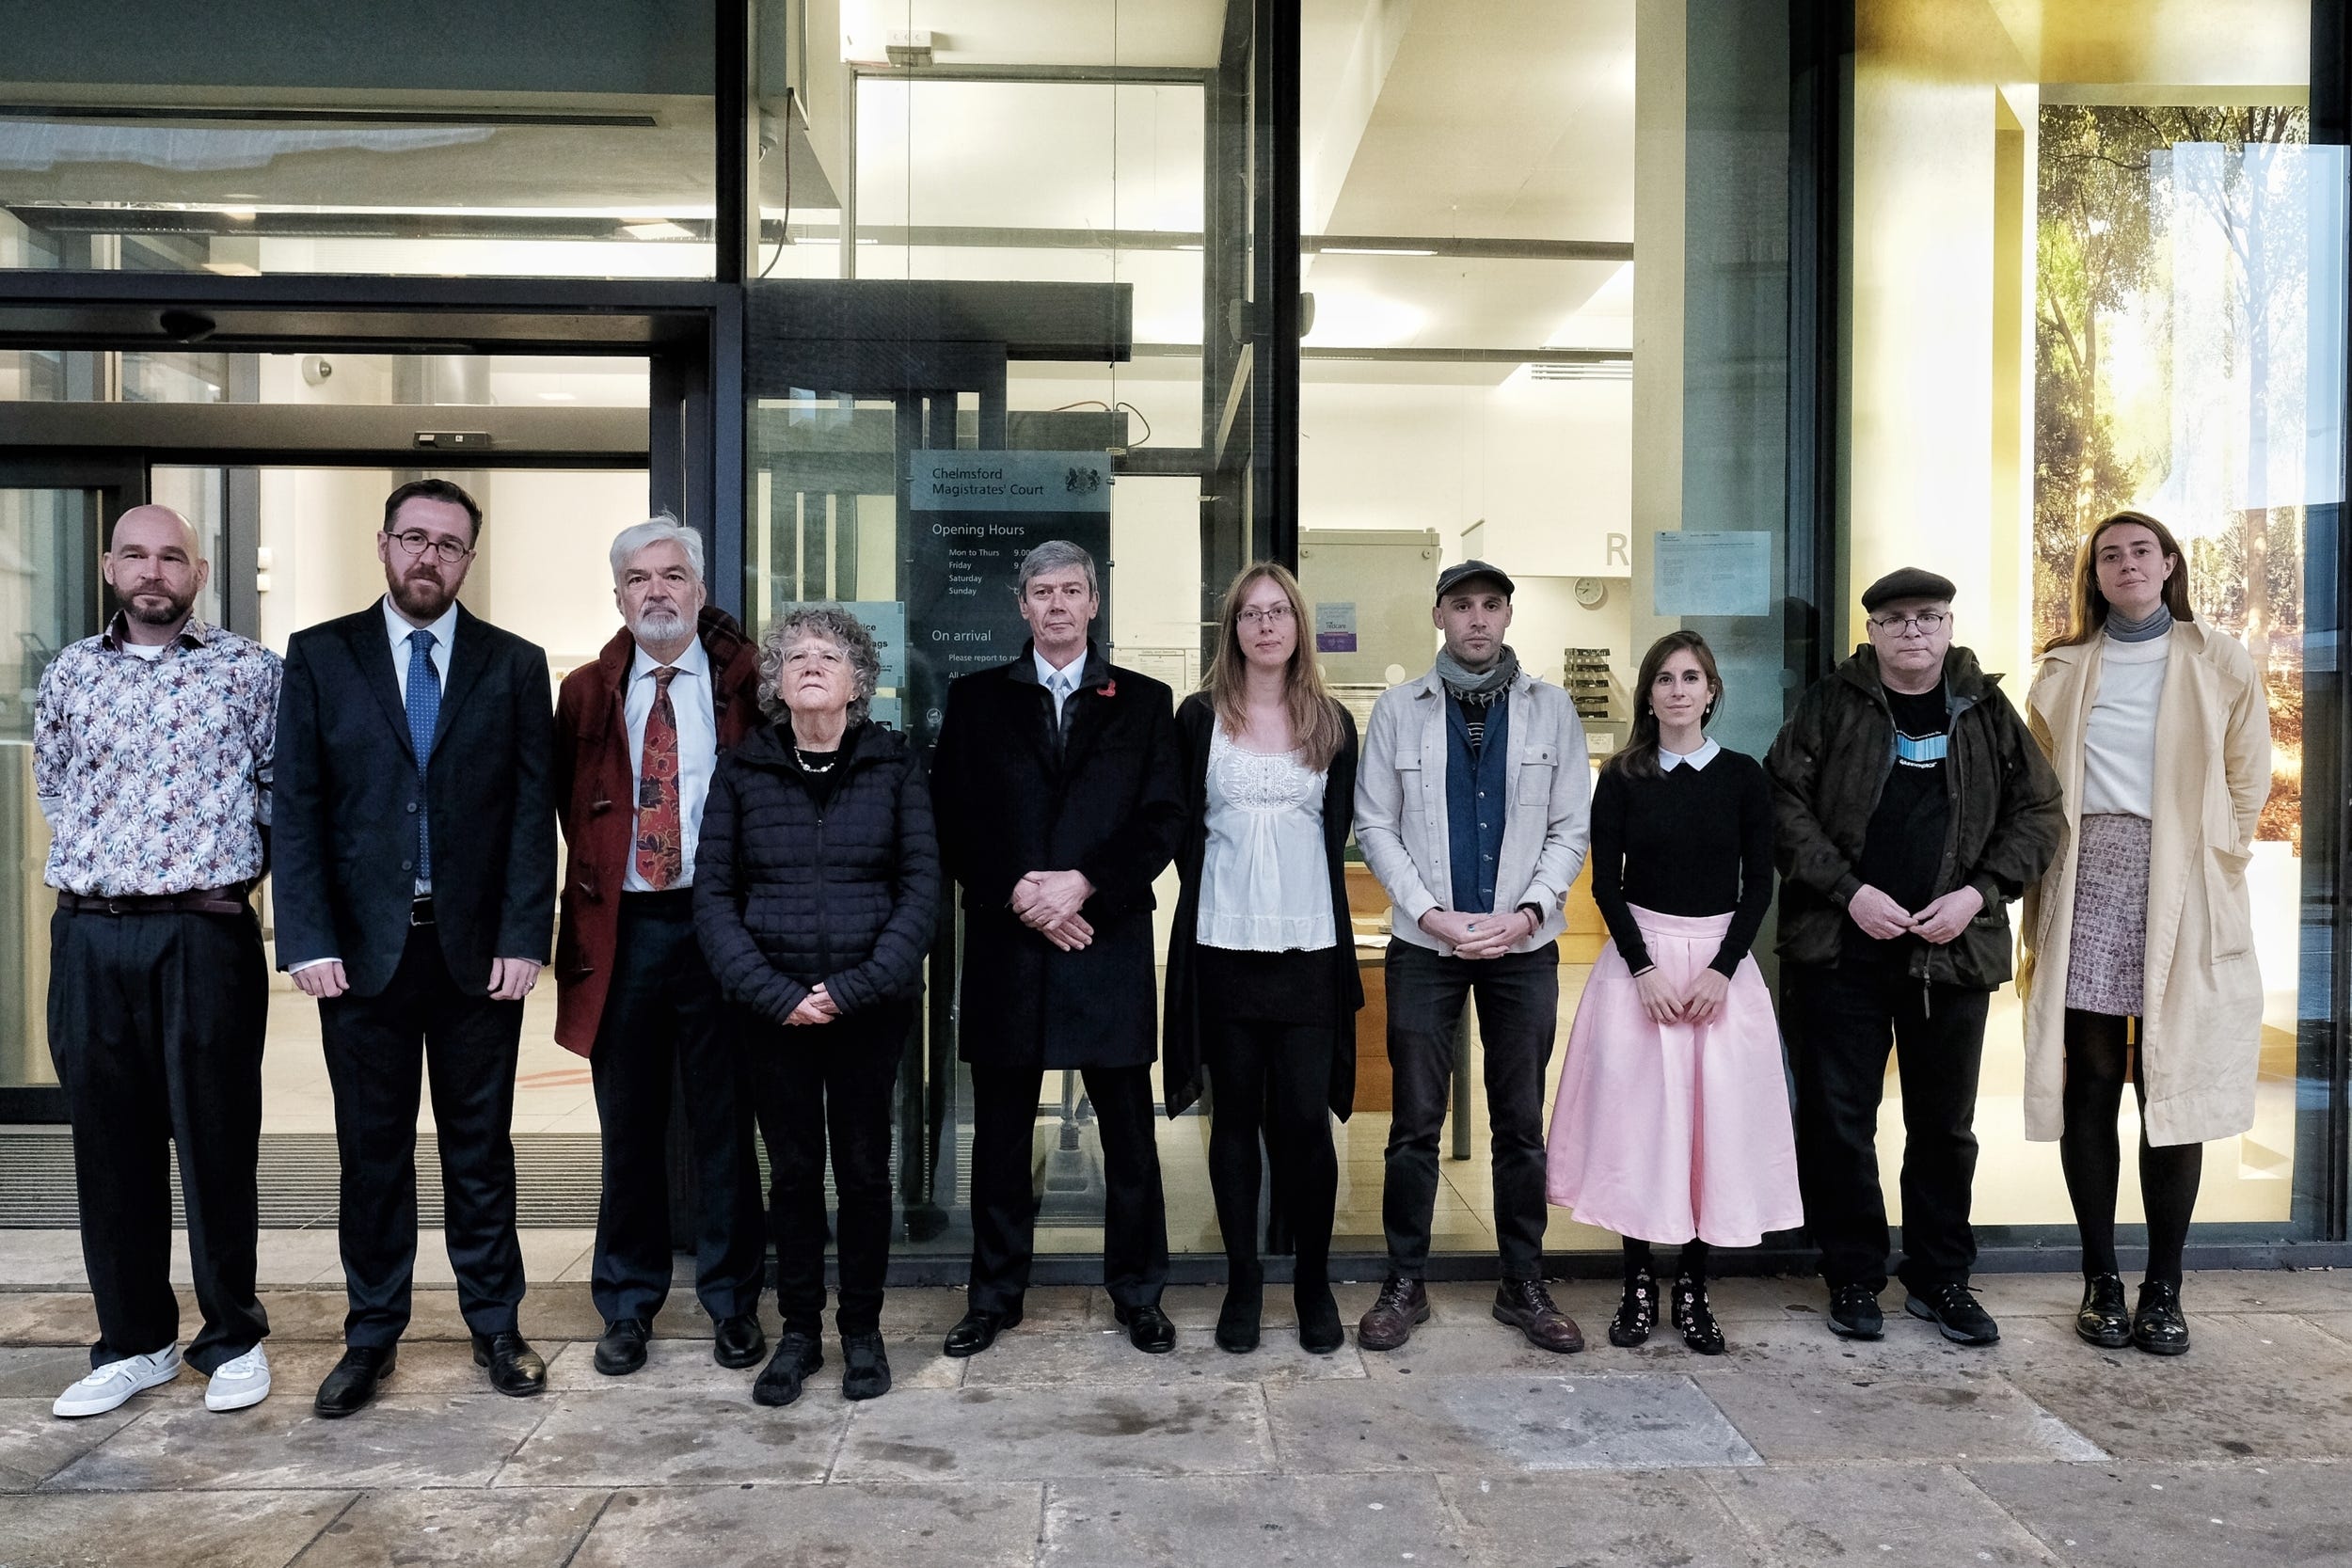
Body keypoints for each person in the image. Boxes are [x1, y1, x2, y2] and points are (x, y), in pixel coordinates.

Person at [275, 478, 558, 1417]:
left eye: (448, 544)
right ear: (384, 544)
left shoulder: (514, 665)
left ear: (467, 559)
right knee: (372, 1152)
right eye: (414, 538)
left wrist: (526, 933)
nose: (428, 556)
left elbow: (530, 813)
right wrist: (305, 933)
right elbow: (300, 806)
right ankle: (370, 1336)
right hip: (361, 958)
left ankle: (495, 1325)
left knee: (481, 1152)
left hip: (475, 955)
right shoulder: (319, 656)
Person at [1767, 567, 2062, 1346]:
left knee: (1945, 1127)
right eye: (1895, 619)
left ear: (1949, 626)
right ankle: (1854, 1275)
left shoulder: (1987, 708)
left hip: (1951, 953)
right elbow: (1782, 807)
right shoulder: (1830, 706)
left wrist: (1981, 893)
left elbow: (2041, 812)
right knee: (1838, 1121)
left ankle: (1940, 1278)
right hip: (1842, 949)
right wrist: (1847, 891)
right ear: (1872, 632)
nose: (1912, 632)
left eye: (1928, 617)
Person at [35, 506, 278, 1418]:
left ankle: (233, 1335)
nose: (153, 570)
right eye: (136, 554)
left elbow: (273, 791)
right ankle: (133, 1339)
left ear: (199, 571)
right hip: (91, 934)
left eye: (170, 556)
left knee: (217, 1141)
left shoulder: (251, 672)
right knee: (109, 1148)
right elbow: (56, 783)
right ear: (108, 565)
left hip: (203, 932)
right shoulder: (71, 671)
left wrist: (199, 875)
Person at [2021, 510, 2272, 1356]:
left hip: (2183, 881)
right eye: (2108, 556)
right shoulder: (2062, 667)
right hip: (2089, 873)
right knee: (2090, 1081)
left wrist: (2215, 856)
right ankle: (2100, 1277)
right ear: (2093, 577)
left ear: (2169, 564)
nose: (2125, 564)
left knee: (2174, 1089)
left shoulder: (2218, 658)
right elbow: (2038, 784)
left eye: (2140, 551)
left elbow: (2248, 779)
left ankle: (2164, 1286)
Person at [930, 539, 1185, 1359]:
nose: (1058, 605)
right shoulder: (974, 699)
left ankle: (1139, 1294)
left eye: (1073, 590)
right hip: (1010, 945)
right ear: (1022, 605)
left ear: (1095, 602)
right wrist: (1020, 893)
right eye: (1042, 592)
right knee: (1001, 1137)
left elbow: (1163, 818)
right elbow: (951, 818)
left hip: (1105, 943)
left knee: (1130, 1136)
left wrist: (1083, 887)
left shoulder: (1145, 701)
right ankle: (995, 1295)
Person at [695, 606, 940, 1405]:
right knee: (795, 1176)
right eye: (794, 654)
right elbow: (715, 899)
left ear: (857, 680)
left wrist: (853, 988)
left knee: (866, 1174)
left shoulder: (895, 764)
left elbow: (921, 890)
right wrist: (778, 995)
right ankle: (800, 1332)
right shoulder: (743, 770)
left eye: (828, 655)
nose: (809, 664)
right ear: (774, 680)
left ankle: (862, 1332)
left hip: (870, 1010)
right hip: (774, 1014)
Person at [1354, 559, 1592, 1354]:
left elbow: (1570, 828)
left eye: (1492, 605)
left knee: (1521, 1121)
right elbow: (1375, 824)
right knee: (1415, 1121)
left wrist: (1527, 913)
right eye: (1463, 606)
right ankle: (1404, 1281)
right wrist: (1431, 913)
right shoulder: (1397, 710)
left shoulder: (1553, 710)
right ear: (1439, 616)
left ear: (1508, 617)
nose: (1478, 619)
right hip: (1427, 944)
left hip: (1523, 946)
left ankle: (1523, 1282)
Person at [553, 518, 768, 1380]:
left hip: (720, 927)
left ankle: (732, 1303)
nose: (657, 591)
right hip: (625, 934)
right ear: (618, 597)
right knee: (628, 1131)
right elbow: (570, 812)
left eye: (673, 574)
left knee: (726, 1126)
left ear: (700, 589)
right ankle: (628, 1305)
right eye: (638, 578)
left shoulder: (745, 683)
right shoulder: (585, 693)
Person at [1544, 631, 1798, 1355]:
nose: (1678, 689)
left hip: (1720, 972)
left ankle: (1693, 1283)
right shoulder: (1623, 777)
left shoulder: (1744, 777)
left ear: (1712, 691)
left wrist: (1721, 969)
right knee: (1641, 1130)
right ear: (1648, 694)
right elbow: (1606, 884)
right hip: (1641, 970)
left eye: (1692, 677)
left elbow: (1760, 886)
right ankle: (1637, 1282)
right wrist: (1644, 969)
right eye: (1664, 678)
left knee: (1706, 1131)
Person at [1163, 562, 1364, 1356]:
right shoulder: (1197, 717)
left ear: (1299, 625)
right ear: (1233, 628)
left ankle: (1311, 1280)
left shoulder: (1333, 722)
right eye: (1251, 613)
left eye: (1280, 611)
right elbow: (1184, 829)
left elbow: (1339, 827)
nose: (1267, 625)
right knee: (1235, 1121)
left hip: (1310, 948)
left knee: (1304, 1124)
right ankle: (1245, 1279)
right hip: (1224, 947)